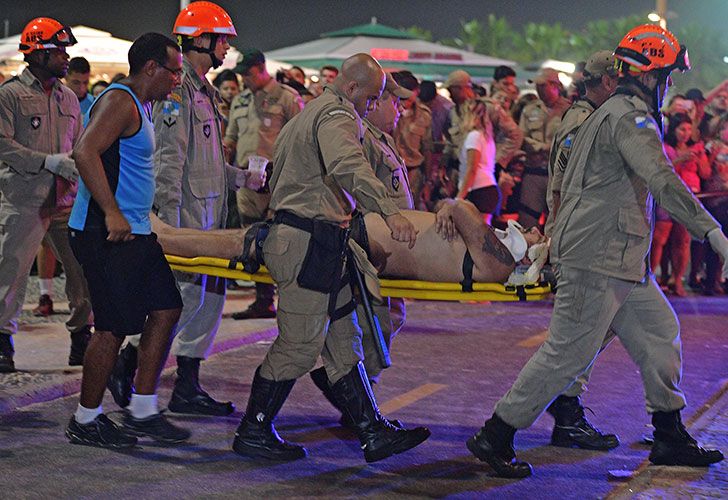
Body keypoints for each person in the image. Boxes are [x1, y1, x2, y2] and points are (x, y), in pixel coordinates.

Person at [466, 25, 728, 479]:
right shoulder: (630, 119)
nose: (669, 85)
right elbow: (663, 181)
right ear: (648, 75)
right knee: (565, 354)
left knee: (660, 334)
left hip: (618, 258)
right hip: (596, 256)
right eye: (666, 75)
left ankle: (668, 434)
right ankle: (496, 434)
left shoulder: (608, 114)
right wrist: (716, 235)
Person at [230, 53, 430, 464]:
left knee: (344, 342)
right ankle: (254, 429)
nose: (374, 106)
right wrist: (388, 211)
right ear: (353, 88)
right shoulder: (338, 115)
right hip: (306, 242)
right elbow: (346, 164)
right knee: (300, 346)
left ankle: (372, 430)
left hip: (321, 243)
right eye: (372, 97)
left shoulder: (309, 113)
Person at [107, 1, 243, 417]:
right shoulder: (178, 92)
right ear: (202, 39)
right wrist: (163, 221)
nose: (227, 50)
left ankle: (187, 386)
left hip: (211, 214)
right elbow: (168, 160)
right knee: (180, 299)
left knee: (208, 302)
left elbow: (209, 162)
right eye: (222, 41)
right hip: (184, 217)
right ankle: (125, 363)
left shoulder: (204, 91)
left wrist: (244, 178)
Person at [64, 32, 188, 448]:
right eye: (175, 71)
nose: (178, 79)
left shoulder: (144, 105)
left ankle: (142, 408)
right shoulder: (120, 100)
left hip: (136, 231)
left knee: (168, 307)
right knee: (111, 329)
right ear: (151, 67)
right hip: (105, 232)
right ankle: (85, 420)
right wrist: (112, 211)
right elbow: (85, 152)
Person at [309, 73, 415, 424]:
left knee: (385, 317)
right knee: (375, 320)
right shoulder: (361, 137)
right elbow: (352, 184)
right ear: (374, 101)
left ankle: (353, 395)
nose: (399, 110)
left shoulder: (382, 138)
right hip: (372, 245)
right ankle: (355, 399)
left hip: (390, 245)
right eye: (393, 102)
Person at [0, 18, 93, 373]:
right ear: (37, 53)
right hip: (24, 199)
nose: (66, 56)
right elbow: (2, 144)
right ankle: (2, 341)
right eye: (58, 50)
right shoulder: (9, 95)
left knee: (82, 269)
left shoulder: (69, 97)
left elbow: (80, 144)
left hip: (66, 200)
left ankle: (81, 336)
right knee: (12, 274)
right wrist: (47, 162)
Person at [541, 50, 621, 451]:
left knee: (601, 322)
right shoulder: (583, 121)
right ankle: (563, 406)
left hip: (594, 237)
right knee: (582, 326)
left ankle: (565, 402)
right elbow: (565, 186)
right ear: (607, 81)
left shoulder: (591, 118)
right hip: (581, 240)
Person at [225, 48, 304, 320]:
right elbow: (231, 138)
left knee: (281, 240)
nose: (244, 79)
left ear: (261, 69)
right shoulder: (241, 100)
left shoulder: (287, 98)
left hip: (278, 181)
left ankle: (292, 300)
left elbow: (301, 139)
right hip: (247, 180)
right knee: (251, 240)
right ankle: (263, 299)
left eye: (248, 74)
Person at [651, 112, 710, 296]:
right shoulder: (665, 147)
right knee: (659, 239)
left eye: (688, 129)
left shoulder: (696, 149)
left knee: (682, 241)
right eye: (681, 129)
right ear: (673, 129)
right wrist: (679, 160)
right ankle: (652, 278)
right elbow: (660, 170)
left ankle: (677, 280)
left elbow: (706, 173)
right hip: (667, 196)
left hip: (689, 197)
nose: (685, 133)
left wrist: (699, 160)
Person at [517, 68, 570, 229]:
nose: (538, 90)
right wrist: (542, 147)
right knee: (526, 224)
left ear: (556, 86)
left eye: (543, 86)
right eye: (537, 86)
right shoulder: (529, 109)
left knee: (557, 224)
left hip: (558, 175)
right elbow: (521, 137)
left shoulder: (570, 110)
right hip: (533, 173)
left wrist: (550, 148)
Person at [392, 71, 432, 210]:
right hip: (391, 168)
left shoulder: (424, 115)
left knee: (410, 209)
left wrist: (429, 180)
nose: (406, 102)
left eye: (410, 98)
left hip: (413, 171)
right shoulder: (388, 110)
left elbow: (427, 148)